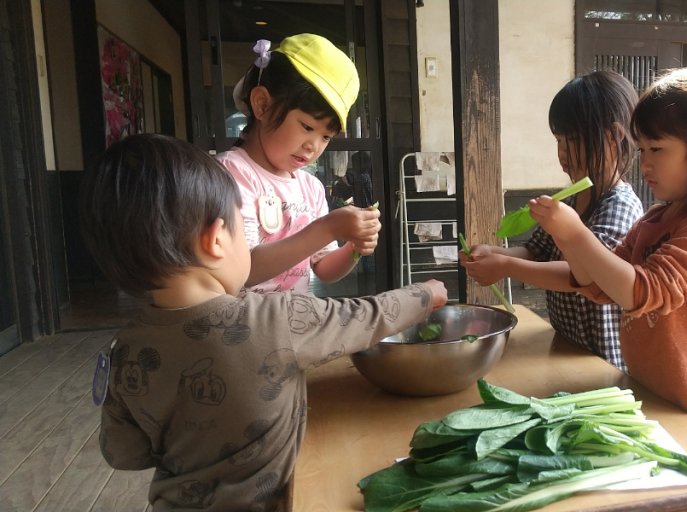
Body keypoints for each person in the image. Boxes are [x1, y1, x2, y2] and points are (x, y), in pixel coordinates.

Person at [79, 134, 447, 511]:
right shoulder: (272, 317)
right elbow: (365, 316)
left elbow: (124, 454)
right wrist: (428, 293)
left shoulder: (124, 351)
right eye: (242, 227)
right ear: (215, 239)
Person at [527, 65, 687, 449]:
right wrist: (571, 239)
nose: (644, 164)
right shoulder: (653, 219)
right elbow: (599, 284)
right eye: (641, 149)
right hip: (656, 397)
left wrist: (574, 233)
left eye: (657, 149)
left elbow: (640, 292)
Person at [460, 71, 644, 371]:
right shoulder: (570, 199)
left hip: (603, 360)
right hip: (566, 346)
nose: (561, 152)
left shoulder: (620, 206)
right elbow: (535, 252)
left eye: (571, 139)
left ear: (613, 137)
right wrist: (495, 254)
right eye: (558, 139)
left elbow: (578, 277)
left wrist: (505, 267)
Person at [218, 34, 379, 294]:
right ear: (262, 104)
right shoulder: (230, 174)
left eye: (326, 136)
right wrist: (327, 228)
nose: (313, 146)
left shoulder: (310, 188)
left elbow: (324, 268)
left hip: (296, 328)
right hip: (247, 330)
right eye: (306, 126)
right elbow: (243, 270)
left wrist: (354, 247)